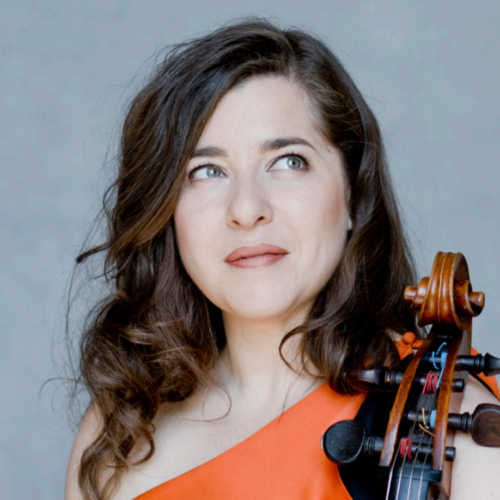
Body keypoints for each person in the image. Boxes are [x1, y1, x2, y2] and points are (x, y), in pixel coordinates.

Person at [65, 19, 500, 500]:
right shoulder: (119, 431)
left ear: (353, 194)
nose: (247, 209)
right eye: (206, 171)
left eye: (289, 161)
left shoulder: (464, 424)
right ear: (167, 211)